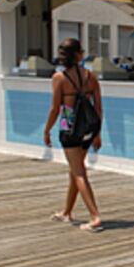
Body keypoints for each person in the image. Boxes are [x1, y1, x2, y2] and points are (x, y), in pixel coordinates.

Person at [43, 38, 104, 232]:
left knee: (78, 172)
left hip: (68, 125)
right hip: (88, 127)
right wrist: (98, 133)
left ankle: (95, 216)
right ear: (79, 54)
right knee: (75, 170)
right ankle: (67, 212)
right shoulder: (90, 76)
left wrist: (46, 130)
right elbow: (99, 108)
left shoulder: (59, 78)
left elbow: (55, 108)